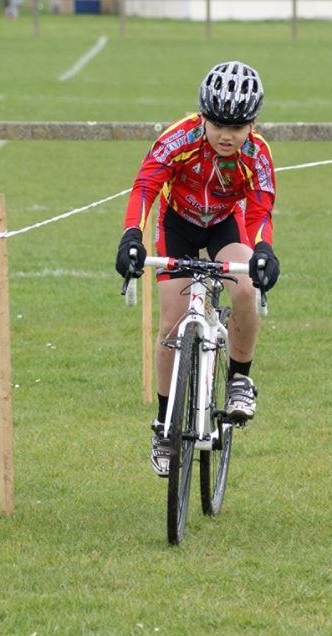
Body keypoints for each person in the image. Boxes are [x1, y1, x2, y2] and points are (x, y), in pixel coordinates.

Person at [115, 60, 280, 477]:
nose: (227, 135)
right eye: (218, 124)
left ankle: (240, 377)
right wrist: (131, 235)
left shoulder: (258, 154)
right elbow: (145, 186)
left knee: (244, 286)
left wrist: (263, 251)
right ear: (202, 116)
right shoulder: (179, 138)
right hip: (178, 224)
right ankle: (165, 424)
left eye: (238, 127)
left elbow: (261, 209)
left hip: (225, 224)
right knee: (172, 322)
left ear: (253, 124)